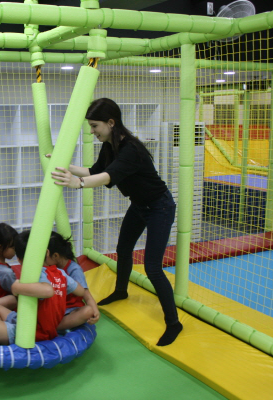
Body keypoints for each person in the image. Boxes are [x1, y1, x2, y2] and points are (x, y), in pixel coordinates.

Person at [51, 98, 182, 346]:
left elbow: (107, 176)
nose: (92, 131)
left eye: (95, 126)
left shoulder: (130, 149)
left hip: (159, 207)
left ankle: (174, 323)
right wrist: (65, 166)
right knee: (123, 249)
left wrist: (76, 183)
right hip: (139, 205)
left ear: (111, 123)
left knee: (153, 268)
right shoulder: (109, 145)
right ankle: (121, 291)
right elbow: (94, 171)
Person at [0, 230, 87, 345]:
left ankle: (1, 340)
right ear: (47, 253)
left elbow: (48, 290)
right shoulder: (60, 273)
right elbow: (80, 291)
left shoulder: (36, 275)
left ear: (19, 260)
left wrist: (16, 287)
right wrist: (61, 286)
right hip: (31, 321)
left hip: (33, 332)